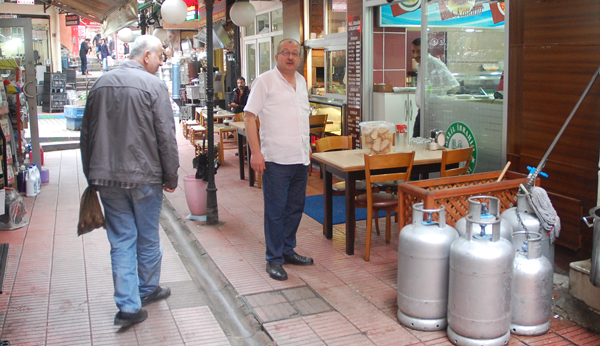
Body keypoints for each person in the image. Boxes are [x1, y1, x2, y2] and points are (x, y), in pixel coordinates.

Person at [80, 34, 179, 327]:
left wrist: (91, 174)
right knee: (147, 237)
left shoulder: (101, 84)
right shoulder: (154, 85)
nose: (161, 62)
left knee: (121, 239)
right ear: (146, 55)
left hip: (107, 177)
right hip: (144, 177)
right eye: (160, 56)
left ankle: (128, 306)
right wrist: (171, 175)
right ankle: (147, 289)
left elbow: (87, 134)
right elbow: (166, 136)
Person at [243, 39, 314, 281]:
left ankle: (287, 250)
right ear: (277, 56)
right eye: (286, 53)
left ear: (300, 58)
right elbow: (249, 116)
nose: (291, 57)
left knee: (295, 209)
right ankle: (273, 259)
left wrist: (308, 148)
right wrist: (255, 152)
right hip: (275, 160)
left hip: (300, 158)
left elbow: (302, 118)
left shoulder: (302, 82)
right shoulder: (265, 81)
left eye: (295, 53)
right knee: (275, 211)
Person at [411, 37, 459, 137]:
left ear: (426, 50)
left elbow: (453, 86)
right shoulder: (421, 65)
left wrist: (441, 103)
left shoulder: (435, 63)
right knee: (416, 141)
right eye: (413, 51)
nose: (416, 55)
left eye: (419, 51)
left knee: (429, 143)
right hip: (422, 111)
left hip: (434, 112)